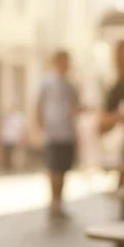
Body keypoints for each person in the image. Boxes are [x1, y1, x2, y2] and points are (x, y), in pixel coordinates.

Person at [35, 50, 80, 217]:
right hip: (53, 131)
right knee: (54, 167)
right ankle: (54, 200)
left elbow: (75, 106)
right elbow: (38, 104)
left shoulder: (71, 84)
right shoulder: (47, 82)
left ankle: (59, 200)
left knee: (64, 168)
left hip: (67, 132)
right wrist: (40, 125)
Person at [0, 107, 26, 172]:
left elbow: (21, 128)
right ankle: (7, 167)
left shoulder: (18, 116)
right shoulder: (7, 116)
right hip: (7, 138)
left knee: (14, 153)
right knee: (7, 154)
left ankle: (13, 167)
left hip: (14, 138)